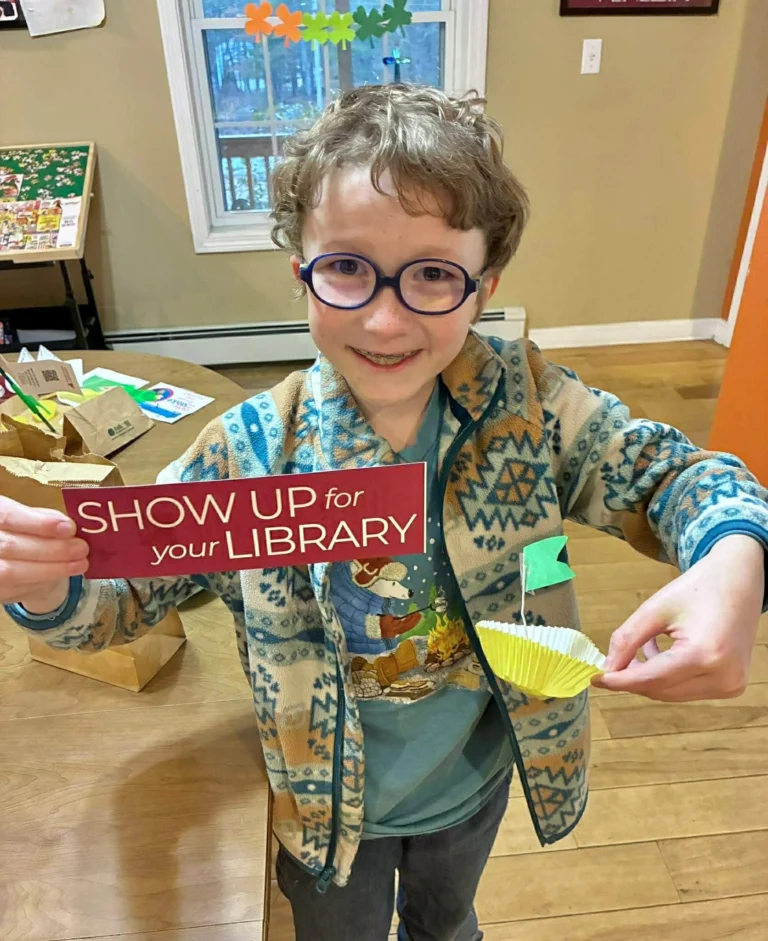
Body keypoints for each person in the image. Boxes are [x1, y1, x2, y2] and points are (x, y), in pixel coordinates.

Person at [1, 85, 767, 941]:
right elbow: (122, 600)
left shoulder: (532, 407)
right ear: (302, 268)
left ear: (485, 286)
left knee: (447, 925)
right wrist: (47, 585)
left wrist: (735, 556)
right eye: (347, 267)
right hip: (327, 818)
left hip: (477, 780)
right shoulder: (250, 451)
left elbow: (677, 477)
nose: (384, 315)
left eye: (434, 274)